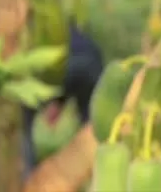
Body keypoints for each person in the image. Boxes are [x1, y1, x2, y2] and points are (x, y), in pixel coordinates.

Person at [20, 19, 105, 180]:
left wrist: (47, 99)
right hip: (91, 64)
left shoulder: (40, 35)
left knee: (23, 118)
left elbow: (55, 71)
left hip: (63, 66)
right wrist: (57, 101)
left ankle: (28, 176)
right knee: (93, 126)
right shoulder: (78, 36)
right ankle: (98, 176)